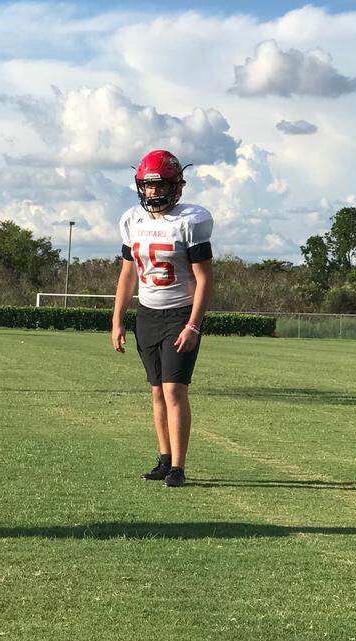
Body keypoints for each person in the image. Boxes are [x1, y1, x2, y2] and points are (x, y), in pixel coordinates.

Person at [111, 150, 214, 488]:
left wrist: (193, 323)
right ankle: (164, 458)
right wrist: (118, 319)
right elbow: (127, 276)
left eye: (159, 186)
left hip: (180, 314)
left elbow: (204, 280)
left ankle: (179, 468)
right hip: (148, 315)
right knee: (156, 392)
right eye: (147, 186)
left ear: (176, 186)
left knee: (174, 391)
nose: (152, 192)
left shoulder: (191, 221)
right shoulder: (132, 220)